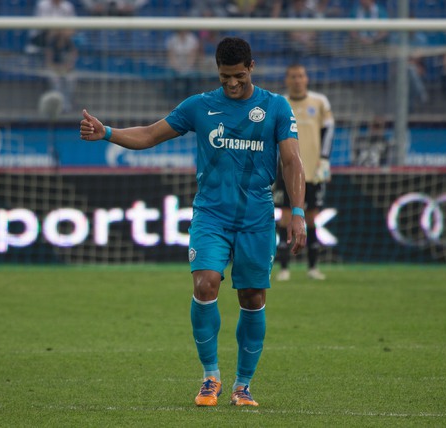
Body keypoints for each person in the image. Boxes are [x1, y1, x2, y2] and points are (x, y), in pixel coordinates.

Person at [79, 37, 306, 407]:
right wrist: (107, 132)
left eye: (238, 76)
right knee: (205, 284)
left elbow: (293, 161)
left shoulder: (276, 106)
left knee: (252, 296)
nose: (231, 83)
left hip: (257, 219)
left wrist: (297, 213)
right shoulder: (200, 106)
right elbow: (150, 134)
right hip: (211, 215)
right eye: (224, 77)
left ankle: (243, 385)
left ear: (251, 67)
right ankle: (210, 377)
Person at [275, 64, 334, 282]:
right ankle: (283, 268)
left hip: (313, 171)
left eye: (301, 76)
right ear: (287, 80)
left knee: (311, 218)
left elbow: (329, 130)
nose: (297, 80)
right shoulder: (280, 103)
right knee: (285, 218)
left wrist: (325, 159)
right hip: (286, 171)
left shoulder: (320, 102)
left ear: (306, 78)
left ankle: (312, 267)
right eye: (293, 76)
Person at [44, 29, 78, 113]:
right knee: (56, 80)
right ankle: (58, 105)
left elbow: (72, 60)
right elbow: (49, 62)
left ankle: (66, 104)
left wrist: (66, 68)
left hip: (65, 70)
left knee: (70, 79)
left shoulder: (69, 44)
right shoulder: (52, 44)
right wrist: (57, 68)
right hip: (54, 70)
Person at [165, 30, 201, 104]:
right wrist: (177, 67)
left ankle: (190, 101)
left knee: (193, 78)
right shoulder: (172, 39)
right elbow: (171, 56)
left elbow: (193, 56)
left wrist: (187, 67)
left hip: (189, 67)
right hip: (175, 67)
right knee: (169, 77)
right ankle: (172, 101)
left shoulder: (192, 39)